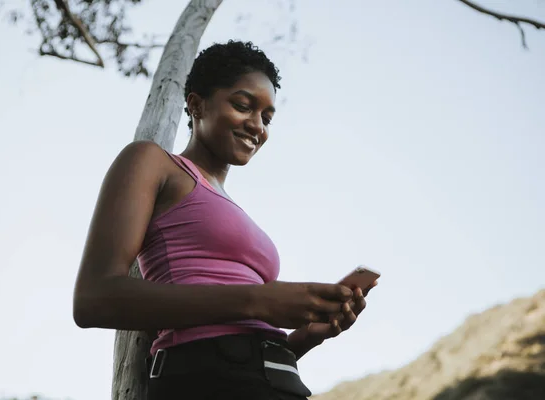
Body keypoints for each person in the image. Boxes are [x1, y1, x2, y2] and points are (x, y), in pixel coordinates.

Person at [73, 40, 375, 400]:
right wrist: (260, 300)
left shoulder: (234, 209)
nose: (257, 126)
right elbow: (94, 298)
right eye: (243, 105)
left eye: (267, 117)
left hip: (274, 378)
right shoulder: (152, 163)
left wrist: (308, 334)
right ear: (196, 104)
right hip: (200, 377)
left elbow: (244, 346)